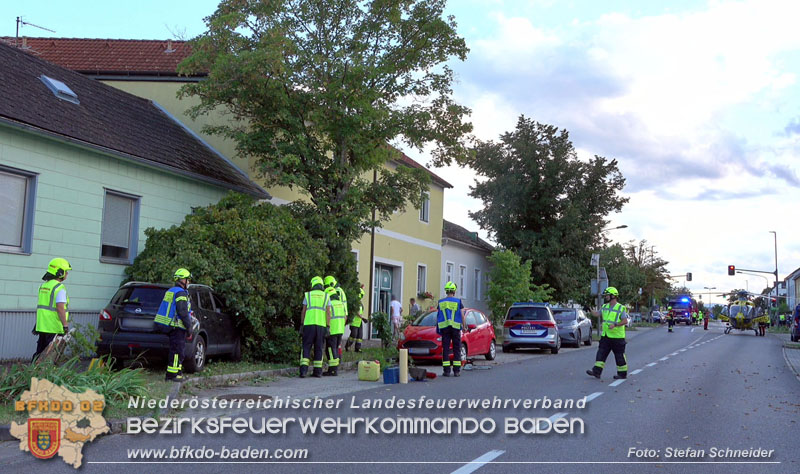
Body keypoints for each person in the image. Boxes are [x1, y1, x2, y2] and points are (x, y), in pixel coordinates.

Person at [154, 268, 195, 381]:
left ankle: (178, 374)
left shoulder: (172, 290)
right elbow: (182, 312)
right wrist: (189, 328)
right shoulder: (180, 293)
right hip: (176, 326)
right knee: (178, 352)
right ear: (182, 279)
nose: (188, 282)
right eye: (187, 280)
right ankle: (172, 375)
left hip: (171, 325)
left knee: (177, 350)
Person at [33, 258, 72, 361]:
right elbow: (60, 308)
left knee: (39, 354)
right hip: (54, 327)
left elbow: (43, 307)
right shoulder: (59, 288)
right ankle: (44, 376)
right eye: (66, 271)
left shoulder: (44, 286)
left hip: (42, 326)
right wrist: (65, 325)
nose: (67, 274)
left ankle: (32, 374)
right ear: (60, 272)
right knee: (50, 358)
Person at [587, 287, 629, 380]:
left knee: (619, 356)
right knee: (601, 354)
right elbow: (597, 314)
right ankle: (596, 372)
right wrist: (590, 309)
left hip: (617, 337)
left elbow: (625, 321)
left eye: (607, 295)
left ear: (613, 296)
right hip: (606, 336)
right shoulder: (605, 307)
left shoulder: (621, 308)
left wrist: (615, 324)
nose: (605, 297)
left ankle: (622, 374)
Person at [299, 276, 332, 378]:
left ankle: (303, 371)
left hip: (308, 325)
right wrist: (328, 326)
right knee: (318, 348)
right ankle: (318, 372)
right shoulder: (326, 296)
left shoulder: (308, 295)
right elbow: (328, 313)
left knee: (306, 347)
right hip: (321, 326)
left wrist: (301, 324)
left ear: (313, 284)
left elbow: (303, 311)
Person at [437, 281, 465, 377]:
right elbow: (462, 314)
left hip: (445, 328)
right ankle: (456, 371)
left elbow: (438, 315)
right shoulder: (458, 301)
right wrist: (464, 326)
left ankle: (446, 371)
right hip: (456, 328)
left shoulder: (441, 302)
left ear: (446, 291)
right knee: (457, 348)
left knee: (445, 349)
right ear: (454, 291)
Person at [323, 287, 346, 376]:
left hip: (332, 330)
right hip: (340, 329)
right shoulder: (340, 304)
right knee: (335, 349)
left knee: (330, 350)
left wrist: (327, 327)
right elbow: (344, 316)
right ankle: (334, 369)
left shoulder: (330, 304)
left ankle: (333, 370)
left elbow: (328, 316)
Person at [345, 287, 368, 352]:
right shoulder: (355, 302)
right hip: (354, 322)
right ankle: (348, 346)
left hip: (359, 322)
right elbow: (356, 312)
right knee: (353, 335)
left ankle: (357, 348)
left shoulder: (360, 303)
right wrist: (363, 318)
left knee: (359, 336)